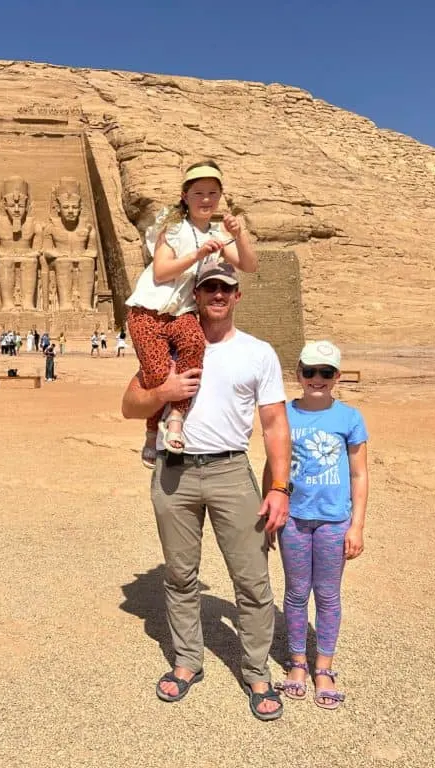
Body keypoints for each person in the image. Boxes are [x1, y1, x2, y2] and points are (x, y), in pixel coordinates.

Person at [121, 260, 291, 721]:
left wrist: (279, 486)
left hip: (231, 471)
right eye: (209, 287)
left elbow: (275, 425)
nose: (217, 294)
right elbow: (128, 406)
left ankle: (256, 671)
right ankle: (187, 660)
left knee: (252, 579)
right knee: (179, 575)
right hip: (174, 473)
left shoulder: (257, 353)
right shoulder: (171, 345)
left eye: (225, 288)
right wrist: (163, 391)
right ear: (196, 295)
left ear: (237, 296)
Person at [124, 160, 258, 469]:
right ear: (185, 196)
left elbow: (249, 266)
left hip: (181, 312)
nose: (207, 199)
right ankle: (149, 432)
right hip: (149, 311)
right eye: (199, 193)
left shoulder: (217, 234)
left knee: (194, 346)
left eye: (213, 192)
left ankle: (176, 419)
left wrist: (239, 236)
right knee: (160, 375)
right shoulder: (171, 228)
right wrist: (197, 255)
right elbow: (160, 272)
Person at [268, 341, 369, 710]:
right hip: (293, 518)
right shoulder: (283, 415)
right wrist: (270, 510)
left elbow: (359, 474)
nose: (317, 379)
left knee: (327, 595)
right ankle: (297, 663)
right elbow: (273, 466)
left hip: (333, 521)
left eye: (325, 373)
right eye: (310, 371)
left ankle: (323, 668)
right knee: (296, 593)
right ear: (298, 374)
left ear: (336, 377)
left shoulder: (350, 417)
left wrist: (357, 526)